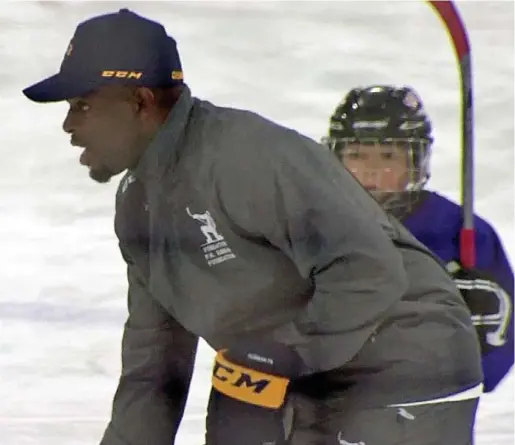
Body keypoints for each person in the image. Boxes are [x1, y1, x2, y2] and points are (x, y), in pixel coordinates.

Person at [24, 10, 483, 445]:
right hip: (311, 375)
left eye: (82, 105)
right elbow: (155, 369)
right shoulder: (138, 208)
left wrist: (282, 356)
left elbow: (368, 271)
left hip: (406, 361)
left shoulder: (243, 158)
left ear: (139, 101)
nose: (69, 124)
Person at [323, 84, 513, 394]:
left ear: (415, 160)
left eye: (387, 155)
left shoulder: (461, 232)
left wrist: (475, 344)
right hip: (324, 417)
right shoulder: (309, 226)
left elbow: (494, 361)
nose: (369, 170)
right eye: (356, 154)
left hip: (427, 418)